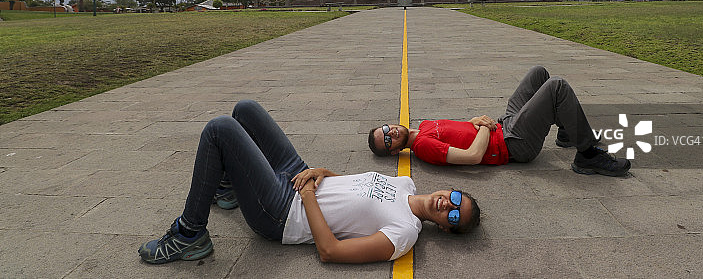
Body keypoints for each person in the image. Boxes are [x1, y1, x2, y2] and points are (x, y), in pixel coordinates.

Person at [139, 99, 479, 265]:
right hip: (302, 177)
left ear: (445, 229)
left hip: (284, 213)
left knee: (220, 129)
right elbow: (353, 186)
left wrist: (310, 199)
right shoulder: (406, 183)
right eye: (455, 198)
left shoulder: (404, 234)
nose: (447, 204)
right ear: (450, 189)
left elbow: (331, 252)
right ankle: (229, 190)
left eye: (452, 215)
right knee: (245, 110)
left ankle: (190, 234)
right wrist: (323, 173)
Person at [368, 65, 630, 177]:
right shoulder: (422, 146)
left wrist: (474, 120)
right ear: (393, 150)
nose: (390, 131)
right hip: (512, 144)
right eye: (388, 139)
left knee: (538, 73)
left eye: (385, 129)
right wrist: (484, 125)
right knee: (556, 86)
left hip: (504, 126)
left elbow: (459, 131)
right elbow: (471, 156)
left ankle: (566, 133)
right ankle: (587, 154)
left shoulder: (424, 125)